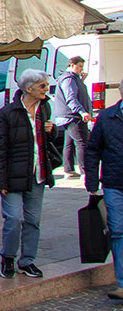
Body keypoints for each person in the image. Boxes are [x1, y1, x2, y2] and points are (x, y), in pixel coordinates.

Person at [0, 68, 59, 280]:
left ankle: (28, 260)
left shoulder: (45, 108)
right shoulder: (8, 113)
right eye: (42, 86)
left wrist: (51, 131)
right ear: (28, 88)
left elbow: (47, 141)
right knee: (14, 218)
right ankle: (8, 257)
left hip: (37, 174)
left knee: (33, 220)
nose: (46, 90)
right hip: (12, 176)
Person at [85, 77, 123, 301]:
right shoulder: (107, 117)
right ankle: (122, 283)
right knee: (118, 231)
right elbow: (92, 150)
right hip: (114, 183)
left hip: (113, 181)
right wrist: (91, 181)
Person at [53, 55, 93, 178]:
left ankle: (69, 170)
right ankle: (85, 171)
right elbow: (71, 98)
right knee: (82, 142)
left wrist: (81, 80)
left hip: (68, 116)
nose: (81, 69)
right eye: (79, 66)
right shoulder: (69, 79)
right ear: (71, 65)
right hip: (72, 116)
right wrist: (82, 112)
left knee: (69, 143)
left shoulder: (73, 78)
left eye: (82, 66)